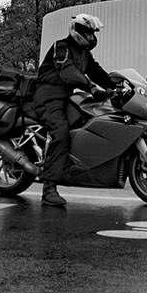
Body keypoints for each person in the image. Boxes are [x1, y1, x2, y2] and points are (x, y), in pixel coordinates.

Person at [33, 12, 114, 207]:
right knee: (61, 134)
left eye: (93, 34)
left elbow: (95, 70)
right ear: (78, 31)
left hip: (65, 97)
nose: (92, 38)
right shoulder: (61, 47)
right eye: (89, 33)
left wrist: (113, 85)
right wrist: (91, 87)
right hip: (48, 97)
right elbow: (68, 72)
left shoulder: (84, 53)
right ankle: (49, 188)